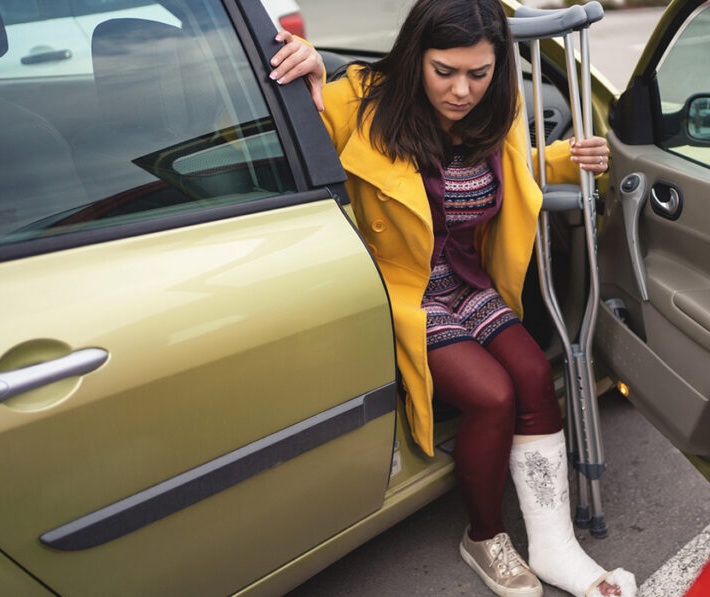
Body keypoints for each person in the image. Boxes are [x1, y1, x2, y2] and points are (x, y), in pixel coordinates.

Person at [269, 2, 635, 596]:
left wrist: (568, 160)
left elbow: (509, 175)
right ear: (416, 55)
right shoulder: (359, 101)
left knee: (533, 376)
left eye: (478, 73)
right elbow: (299, 119)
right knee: (492, 397)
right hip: (407, 290)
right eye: (445, 72)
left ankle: (552, 543)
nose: (462, 90)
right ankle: (485, 537)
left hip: (467, 280)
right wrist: (310, 69)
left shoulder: (498, 108)